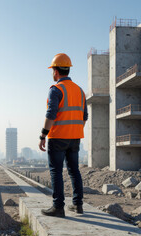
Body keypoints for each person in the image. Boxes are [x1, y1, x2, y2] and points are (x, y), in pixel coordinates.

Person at [38, 53, 88, 218]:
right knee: (74, 170)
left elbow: (51, 114)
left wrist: (43, 135)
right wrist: (75, 130)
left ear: (55, 71)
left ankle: (58, 207)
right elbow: (84, 117)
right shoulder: (80, 91)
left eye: (52, 70)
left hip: (58, 137)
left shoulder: (56, 90)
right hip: (75, 138)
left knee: (56, 171)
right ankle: (78, 205)